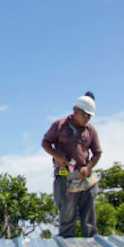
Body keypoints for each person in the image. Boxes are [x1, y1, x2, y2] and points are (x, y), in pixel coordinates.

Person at [41, 92, 102, 237]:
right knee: (67, 218)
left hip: (84, 178)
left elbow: (97, 152)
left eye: (90, 116)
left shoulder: (91, 131)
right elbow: (45, 143)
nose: (87, 118)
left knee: (89, 219)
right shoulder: (59, 125)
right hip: (65, 177)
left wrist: (88, 168)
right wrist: (56, 155)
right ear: (76, 111)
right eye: (85, 114)